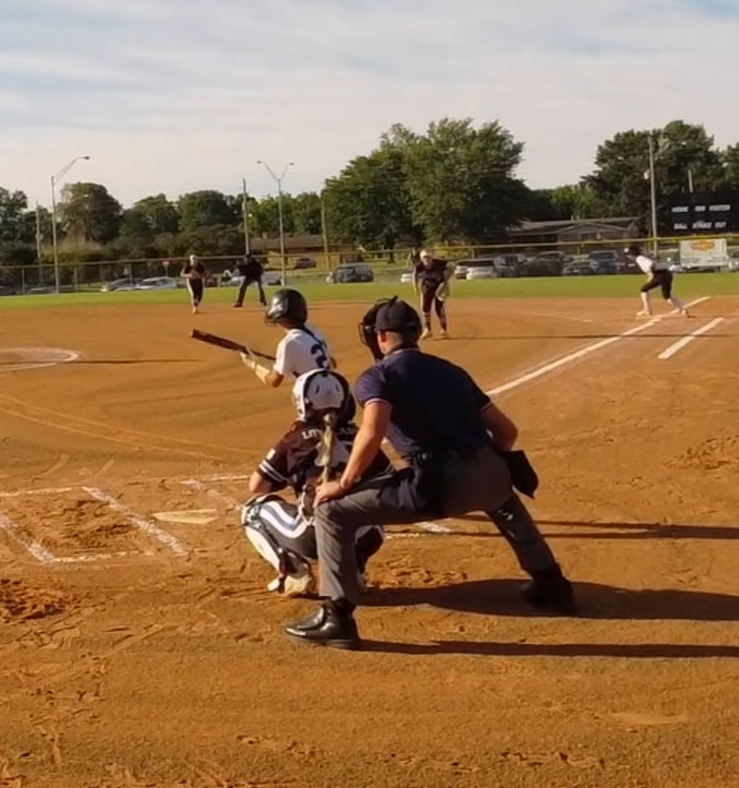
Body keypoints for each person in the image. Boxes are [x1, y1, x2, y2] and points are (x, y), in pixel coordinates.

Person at [282, 298, 574, 649]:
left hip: (438, 483)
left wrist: (342, 484)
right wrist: (487, 465)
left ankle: (337, 616)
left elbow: (372, 432)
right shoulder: (452, 371)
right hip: (491, 471)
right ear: (417, 333)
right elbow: (506, 431)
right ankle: (551, 583)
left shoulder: (378, 376)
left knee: (332, 511)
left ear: (381, 337)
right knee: (504, 500)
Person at [242, 369, 387, 597]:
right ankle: (353, 570)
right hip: (368, 536)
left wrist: (297, 475)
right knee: (372, 507)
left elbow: (257, 486)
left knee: (252, 511)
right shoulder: (361, 436)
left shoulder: (296, 438)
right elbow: (387, 478)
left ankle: (292, 572)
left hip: (315, 537)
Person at [241, 288, 335, 392]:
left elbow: (273, 381)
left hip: (314, 396)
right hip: (337, 389)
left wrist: (253, 365)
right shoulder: (313, 330)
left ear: (281, 317)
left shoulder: (288, 343)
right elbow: (332, 363)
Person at [626, 246, 690, 318]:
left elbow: (651, 265)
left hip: (659, 275)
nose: (628, 256)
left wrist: (652, 275)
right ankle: (682, 309)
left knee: (644, 290)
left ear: (632, 254)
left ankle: (647, 310)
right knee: (667, 296)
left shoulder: (639, 258)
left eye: (628, 254)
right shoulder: (642, 257)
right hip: (666, 274)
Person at [412, 249, 452, 339]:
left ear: (432, 258)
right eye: (424, 257)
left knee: (439, 308)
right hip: (427, 286)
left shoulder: (440, 264)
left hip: (440, 286)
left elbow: (448, 273)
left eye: (428, 257)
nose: (427, 259)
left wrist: (445, 287)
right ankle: (428, 330)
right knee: (425, 308)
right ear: (421, 258)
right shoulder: (419, 266)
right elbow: (414, 275)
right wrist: (415, 287)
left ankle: (444, 330)